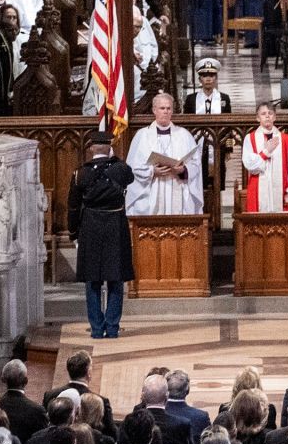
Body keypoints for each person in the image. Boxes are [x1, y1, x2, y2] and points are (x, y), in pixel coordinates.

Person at [68, 130, 135, 339]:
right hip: (115, 227)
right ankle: (112, 327)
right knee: (116, 279)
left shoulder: (81, 173)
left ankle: (97, 329)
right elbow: (130, 176)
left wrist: (73, 233)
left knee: (93, 281)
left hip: (90, 229)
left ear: (90, 149)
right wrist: (113, 158)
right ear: (110, 147)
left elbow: (73, 207)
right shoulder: (120, 169)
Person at [125, 93, 204, 216]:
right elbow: (132, 167)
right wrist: (152, 171)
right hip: (151, 190)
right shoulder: (142, 135)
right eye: (162, 108)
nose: (165, 112)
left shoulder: (184, 135)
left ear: (172, 111)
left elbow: (195, 164)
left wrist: (183, 170)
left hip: (177, 186)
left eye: (169, 108)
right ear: (154, 110)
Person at [242, 102, 288, 212]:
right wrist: (266, 152)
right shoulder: (250, 138)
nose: (267, 116)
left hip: (281, 193)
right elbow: (250, 166)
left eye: (270, 113)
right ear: (257, 118)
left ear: (274, 117)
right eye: (263, 114)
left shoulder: (285, 139)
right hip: (257, 191)